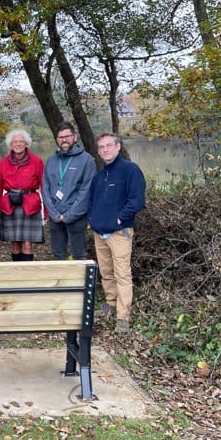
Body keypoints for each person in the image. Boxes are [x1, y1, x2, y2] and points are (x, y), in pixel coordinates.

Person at [88, 133, 146, 334]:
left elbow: (137, 200)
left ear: (118, 146)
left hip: (120, 233)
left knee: (122, 274)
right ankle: (111, 304)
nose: (105, 149)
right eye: (101, 147)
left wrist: (120, 218)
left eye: (109, 145)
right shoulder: (100, 175)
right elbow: (91, 201)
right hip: (100, 232)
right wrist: (93, 219)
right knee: (106, 272)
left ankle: (123, 318)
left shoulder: (130, 170)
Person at [42, 122, 96, 260]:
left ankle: (78, 276)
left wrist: (69, 215)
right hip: (55, 217)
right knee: (58, 256)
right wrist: (54, 214)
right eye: (61, 137)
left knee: (78, 256)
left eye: (67, 136)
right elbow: (45, 189)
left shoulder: (86, 160)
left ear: (75, 137)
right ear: (57, 140)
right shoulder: (51, 160)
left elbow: (86, 191)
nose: (64, 140)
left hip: (76, 216)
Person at [0, 129, 45, 261]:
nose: (18, 144)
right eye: (15, 142)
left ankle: (27, 273)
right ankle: (16, 270)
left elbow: (44, 186)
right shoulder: (3, 162)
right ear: (11, 144)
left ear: (26, 144)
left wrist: (47, 212)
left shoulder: (36, 161)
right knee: (14, 243)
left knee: (27, 244)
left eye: (21, 141)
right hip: (10, 206)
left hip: (30, 206)